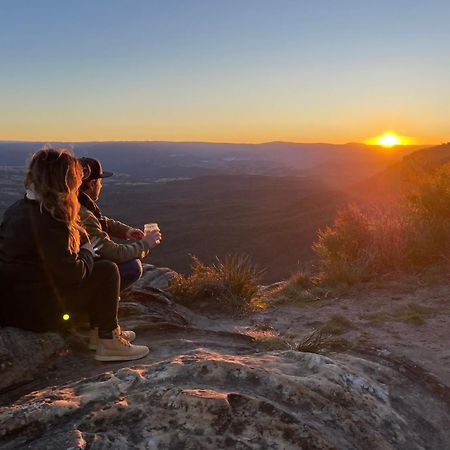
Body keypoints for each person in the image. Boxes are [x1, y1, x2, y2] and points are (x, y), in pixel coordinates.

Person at [0, 148, 149, 362]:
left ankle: (99, 333)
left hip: (17, 304)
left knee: (102, 268)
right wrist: (87, 253)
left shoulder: (20, 208)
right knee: (107, 270)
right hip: (36, 313)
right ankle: (108, 343)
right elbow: (72, 274)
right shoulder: (48, 220)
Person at [77, 157, 161, 291]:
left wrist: (126, 231)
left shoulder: (78, 203)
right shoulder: (82, 214)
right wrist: (145, 244)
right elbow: (115, 253)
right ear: (92, 184)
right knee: (132, 267)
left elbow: (100, 221)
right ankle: (99, 301)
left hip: (78, 266)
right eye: (100, 182)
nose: (101, 186)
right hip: (79, 275)